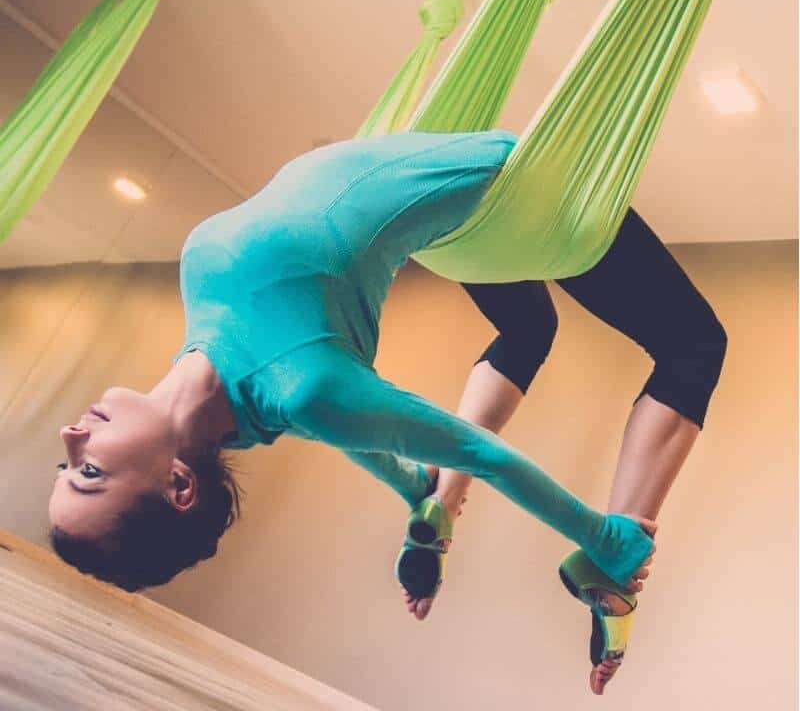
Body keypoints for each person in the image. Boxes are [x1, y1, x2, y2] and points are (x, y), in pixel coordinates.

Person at [48, 130, 655, 614]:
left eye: (64, 464)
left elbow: (347, 436)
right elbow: (480, 453)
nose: (71, 437)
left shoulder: (242, 392)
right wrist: (604, 537)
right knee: (694, 344)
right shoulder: (305, 389)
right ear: (180, 486)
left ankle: (427, 505)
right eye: (90, 471)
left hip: (436, 180)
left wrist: (415, 488)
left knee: (528, 330)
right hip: (506, 182)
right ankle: (588, 558)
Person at [397, 208, 726, 694]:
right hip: (548, 196)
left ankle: (442, 502)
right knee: (694, 345)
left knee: (528, 329)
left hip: (448, 218)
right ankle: (615, 561)